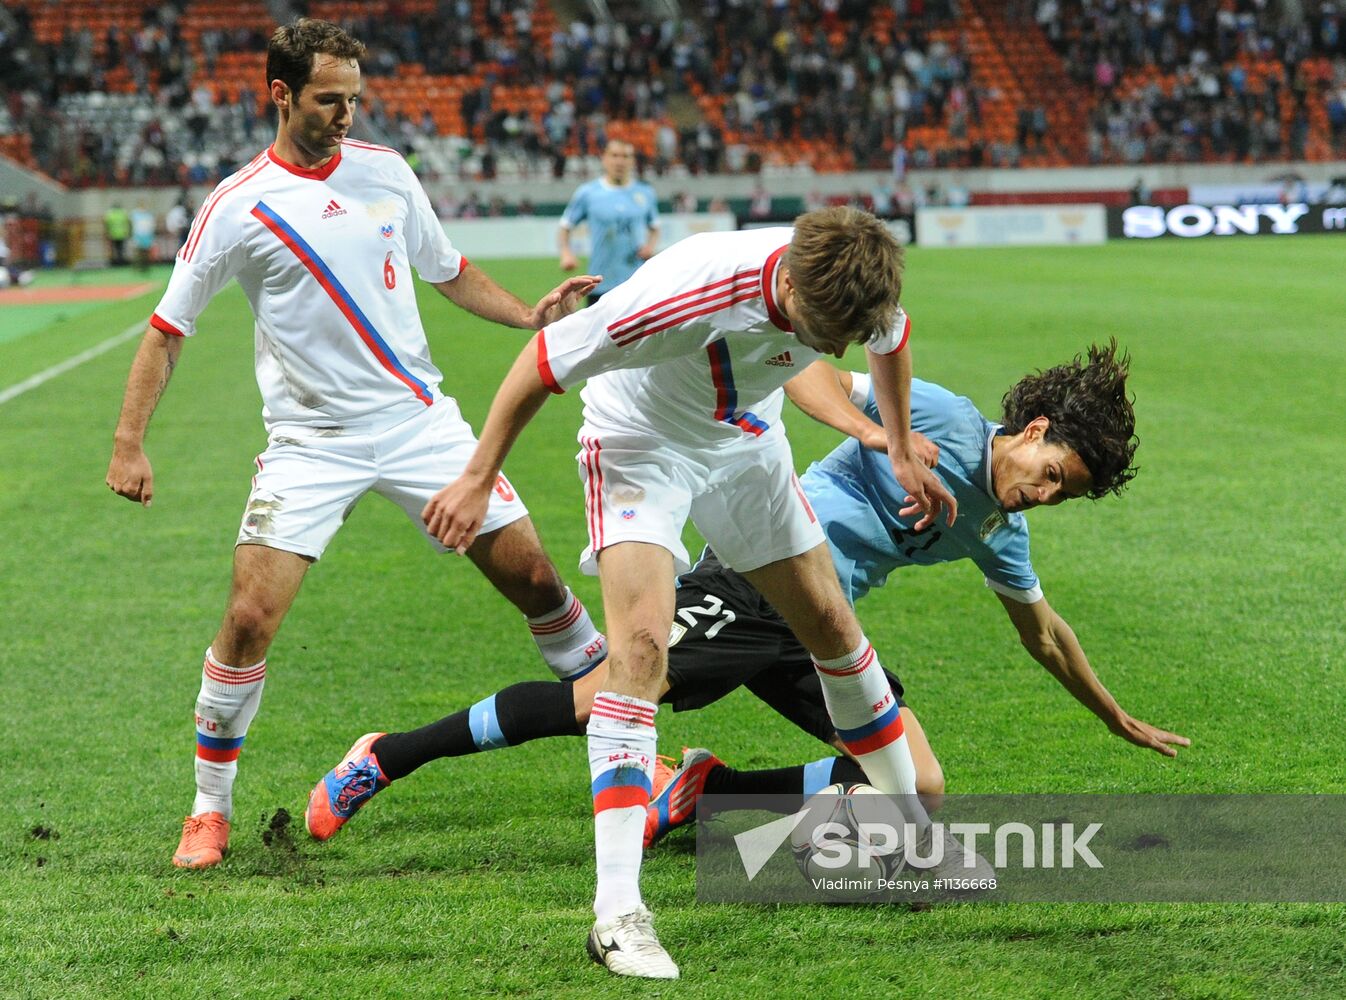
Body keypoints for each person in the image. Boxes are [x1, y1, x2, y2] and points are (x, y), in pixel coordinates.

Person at [307, 343, 1187, 845]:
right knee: (604, 701)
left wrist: (1114, 717)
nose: (1046, 492)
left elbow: (1046, 634)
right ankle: (386, 756)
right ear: (1033, 431)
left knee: (915, 786)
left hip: (822, 635)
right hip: (754, 575)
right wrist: (880, 437)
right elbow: (806, 370)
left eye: (1064, 494)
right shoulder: (948, 420)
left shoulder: (1000, 528)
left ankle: (702, 790)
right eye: (1053, 472)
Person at [104, 18, 606, 873]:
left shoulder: (387, 173)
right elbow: (166, 329)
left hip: (421, 425)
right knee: (249, 618)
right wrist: (129, 442)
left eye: (354, 99)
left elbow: (446, 269)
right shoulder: (237, 204)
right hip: (310, 442)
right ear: (280, 94)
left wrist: (528, 314)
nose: (346, 114)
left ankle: (626, 743)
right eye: (329, 99)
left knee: (536, 581)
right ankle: (208, 810)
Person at [420, 206, 959, 979]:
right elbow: (543, 358)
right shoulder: (693, 294)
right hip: (642, 442)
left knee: (834, 629)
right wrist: (476, 478)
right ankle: (617, 916)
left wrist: (899, 439)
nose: (838, 349)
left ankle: (914, 840)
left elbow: (890, 339)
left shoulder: (852, 287)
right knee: (639, 651)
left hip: (745, 443)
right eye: (826, 330)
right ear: (791, 288)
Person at [557, 139, 660, 305]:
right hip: (600, 284)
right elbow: (565, 226)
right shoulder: (588, 193)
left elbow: (655, 227)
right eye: (615, 156)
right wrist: (566, 253)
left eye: (626, 156)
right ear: (604, 158)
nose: (620, 161)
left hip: (638, 285)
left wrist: (650, 246)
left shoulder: (645, 193)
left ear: (632, 160)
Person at [130, 201, 156, 271]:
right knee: (138, 253)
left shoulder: (148, 215)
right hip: (138, 236)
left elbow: (151, 226)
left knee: (146, 253)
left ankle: (145, 267)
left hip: (147, 236)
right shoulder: (135, 214)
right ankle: (137, 267)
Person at [104, 202, 131, 266]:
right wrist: (128, 232)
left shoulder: (110, 214)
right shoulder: (123, 213)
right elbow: (127, 223)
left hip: (113, 234)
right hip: (122, 234)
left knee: (114, 248)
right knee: (121, 248)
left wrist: (107, 232)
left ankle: (114, 262)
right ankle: (121, 261)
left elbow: (107, 223)